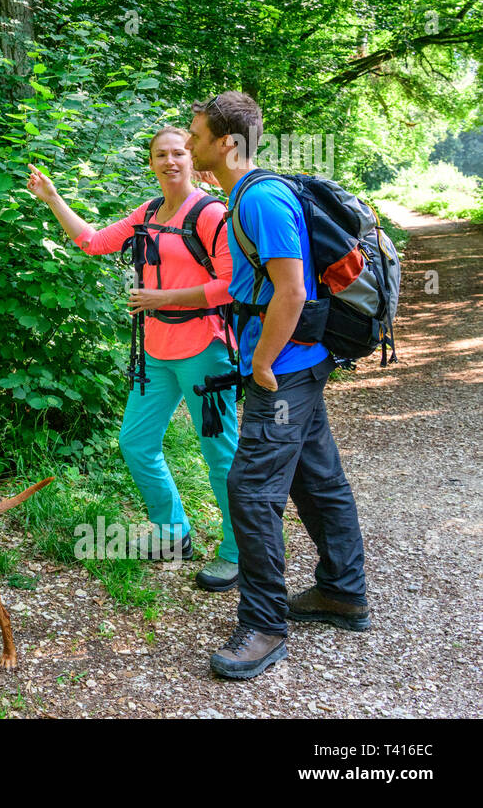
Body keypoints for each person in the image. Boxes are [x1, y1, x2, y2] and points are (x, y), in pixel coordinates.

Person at [186, 92, 370, 681]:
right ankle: (343, 592)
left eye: (195, 136)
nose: (188, 146)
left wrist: (262, 363)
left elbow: (290, 290)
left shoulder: (260, 198)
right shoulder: (246, 194)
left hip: (285, 371)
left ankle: (264, 626)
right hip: (300, 365)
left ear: (226, 144)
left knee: (251, 490)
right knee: (318, 480)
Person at [27, 127, 241, 589]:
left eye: (179, 153)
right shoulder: (146, 213)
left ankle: (238, 549)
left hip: (205, 349)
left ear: (194, 158)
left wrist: (163, 298)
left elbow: (230, 283)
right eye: (161, 154)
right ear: (151, 162)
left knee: (220, 455)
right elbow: (91, 241)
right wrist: (52, 198)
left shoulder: (212, 213)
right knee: (136, 443)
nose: (170, 161)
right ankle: (172, 535)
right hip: (155, 352)